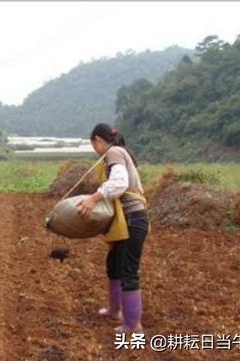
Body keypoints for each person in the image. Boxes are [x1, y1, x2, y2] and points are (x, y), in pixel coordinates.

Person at [76, 123, 149, 333]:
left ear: (98, 140)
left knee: (128, 270)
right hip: (123, 221)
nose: (95, 150)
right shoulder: (118, 153)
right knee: (114, 265)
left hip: (132, 219)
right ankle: (115, 311)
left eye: (94, 145)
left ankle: (133, 324)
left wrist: (93, 198)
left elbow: (119, 183)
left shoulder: (114, 152)